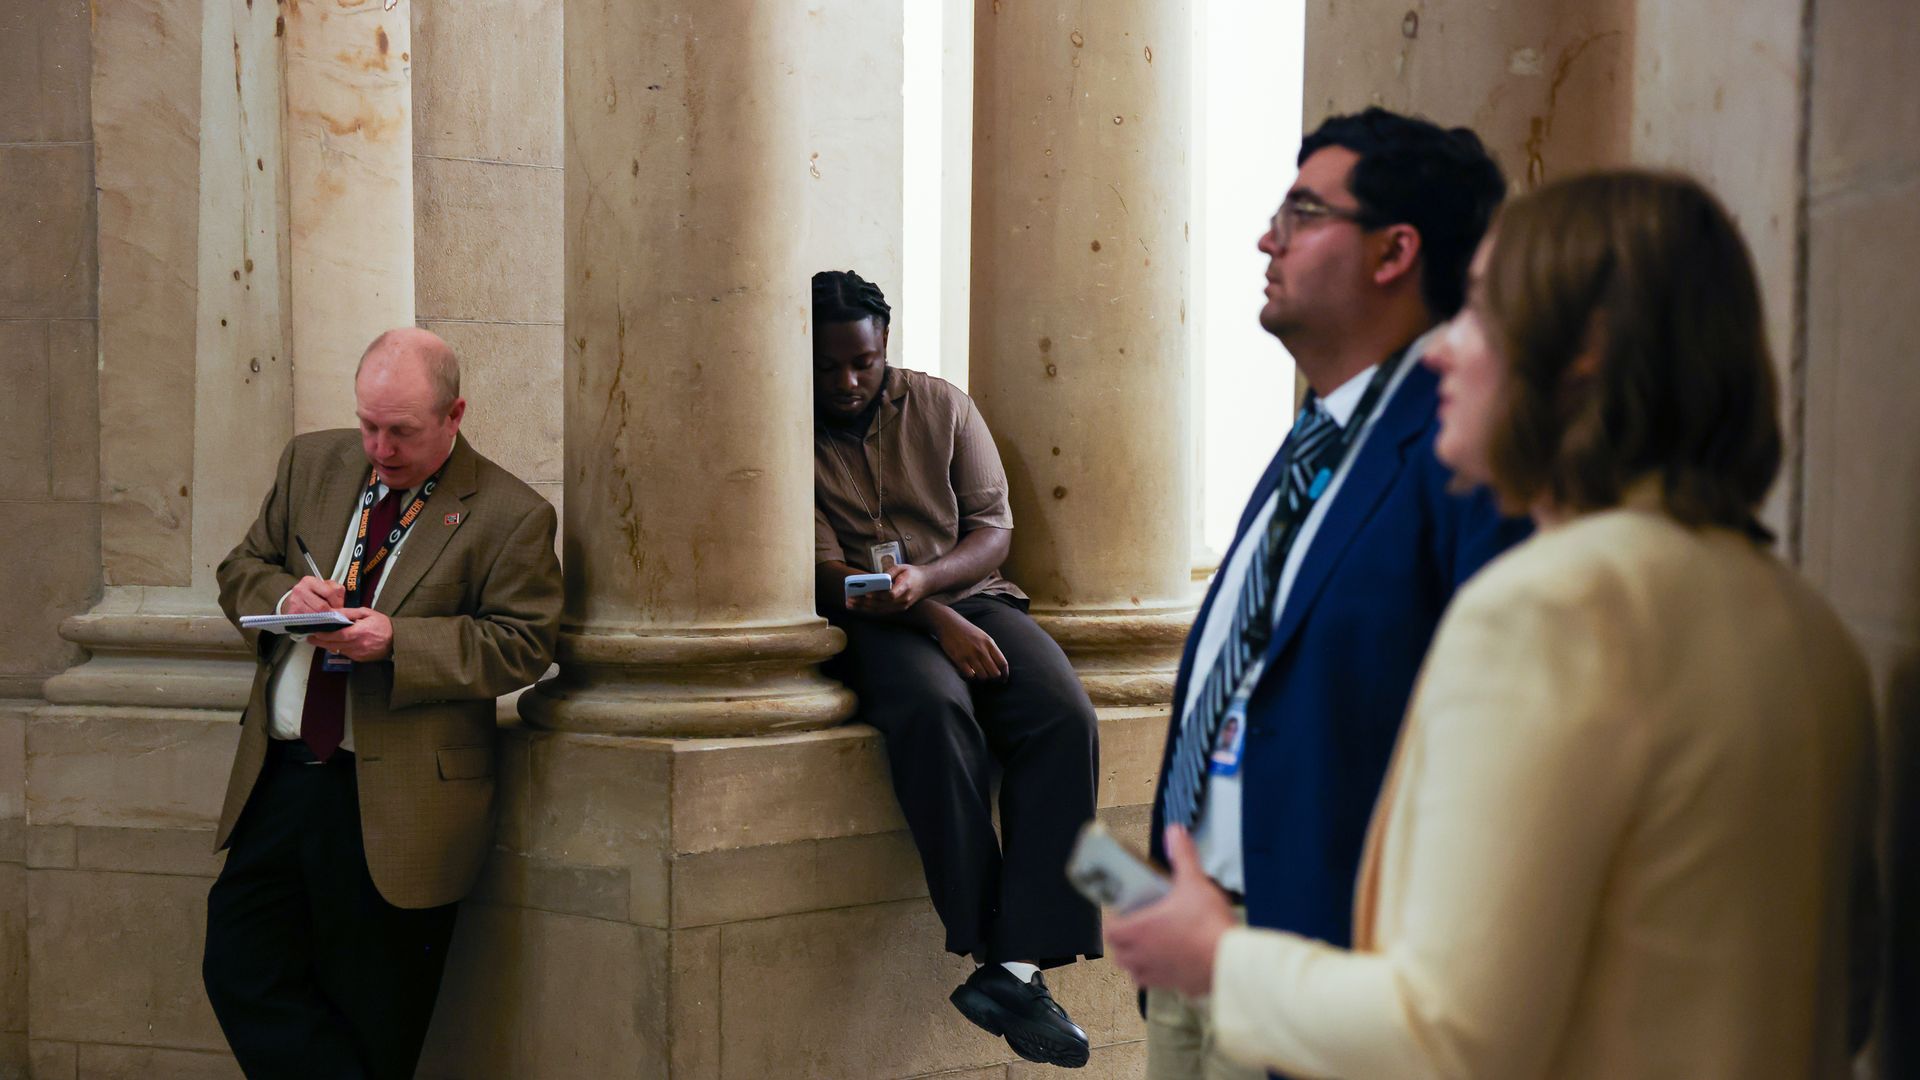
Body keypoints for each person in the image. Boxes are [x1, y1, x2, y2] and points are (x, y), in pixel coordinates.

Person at [1108, 170, 1877, 1079]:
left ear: (1583, 351)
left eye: (1477, 310)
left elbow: (1447, 1040)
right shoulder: (1804, 619)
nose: (1439, 352)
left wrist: (1217, 960)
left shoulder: (1550, 608)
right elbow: (1850, 997)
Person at [1140, 108, 1526, 1078]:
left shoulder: (1457, 450)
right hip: (1197, 945)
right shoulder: (1316, 436)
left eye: (1303, 212)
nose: (1267, 237)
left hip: (1322, 972)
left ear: (1397, 250)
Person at [204, 327, 563, 1078]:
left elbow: (523, 645)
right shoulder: (312, 460)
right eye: (369, 424)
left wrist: (399, 641)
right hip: (282, 775)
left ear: (454, 414)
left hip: (399, 800)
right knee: (239, 965)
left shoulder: (511, 514)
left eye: (401, 431)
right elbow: (242, 566)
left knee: (376, 1017)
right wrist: (283, 593)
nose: (378, 447)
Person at [811, 270, 1100, 1069]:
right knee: (937, 712)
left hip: (975, 597)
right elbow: (823, 571)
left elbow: (992, 528)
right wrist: (928, 617)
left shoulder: (942, 406)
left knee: (1065, 716)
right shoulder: (783, 430)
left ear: (885, 347)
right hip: (872, 623)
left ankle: (1015, 967)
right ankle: (988, 951)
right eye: (829, 365)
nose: (846, 381)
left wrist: (935, 587)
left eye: (862, 363)